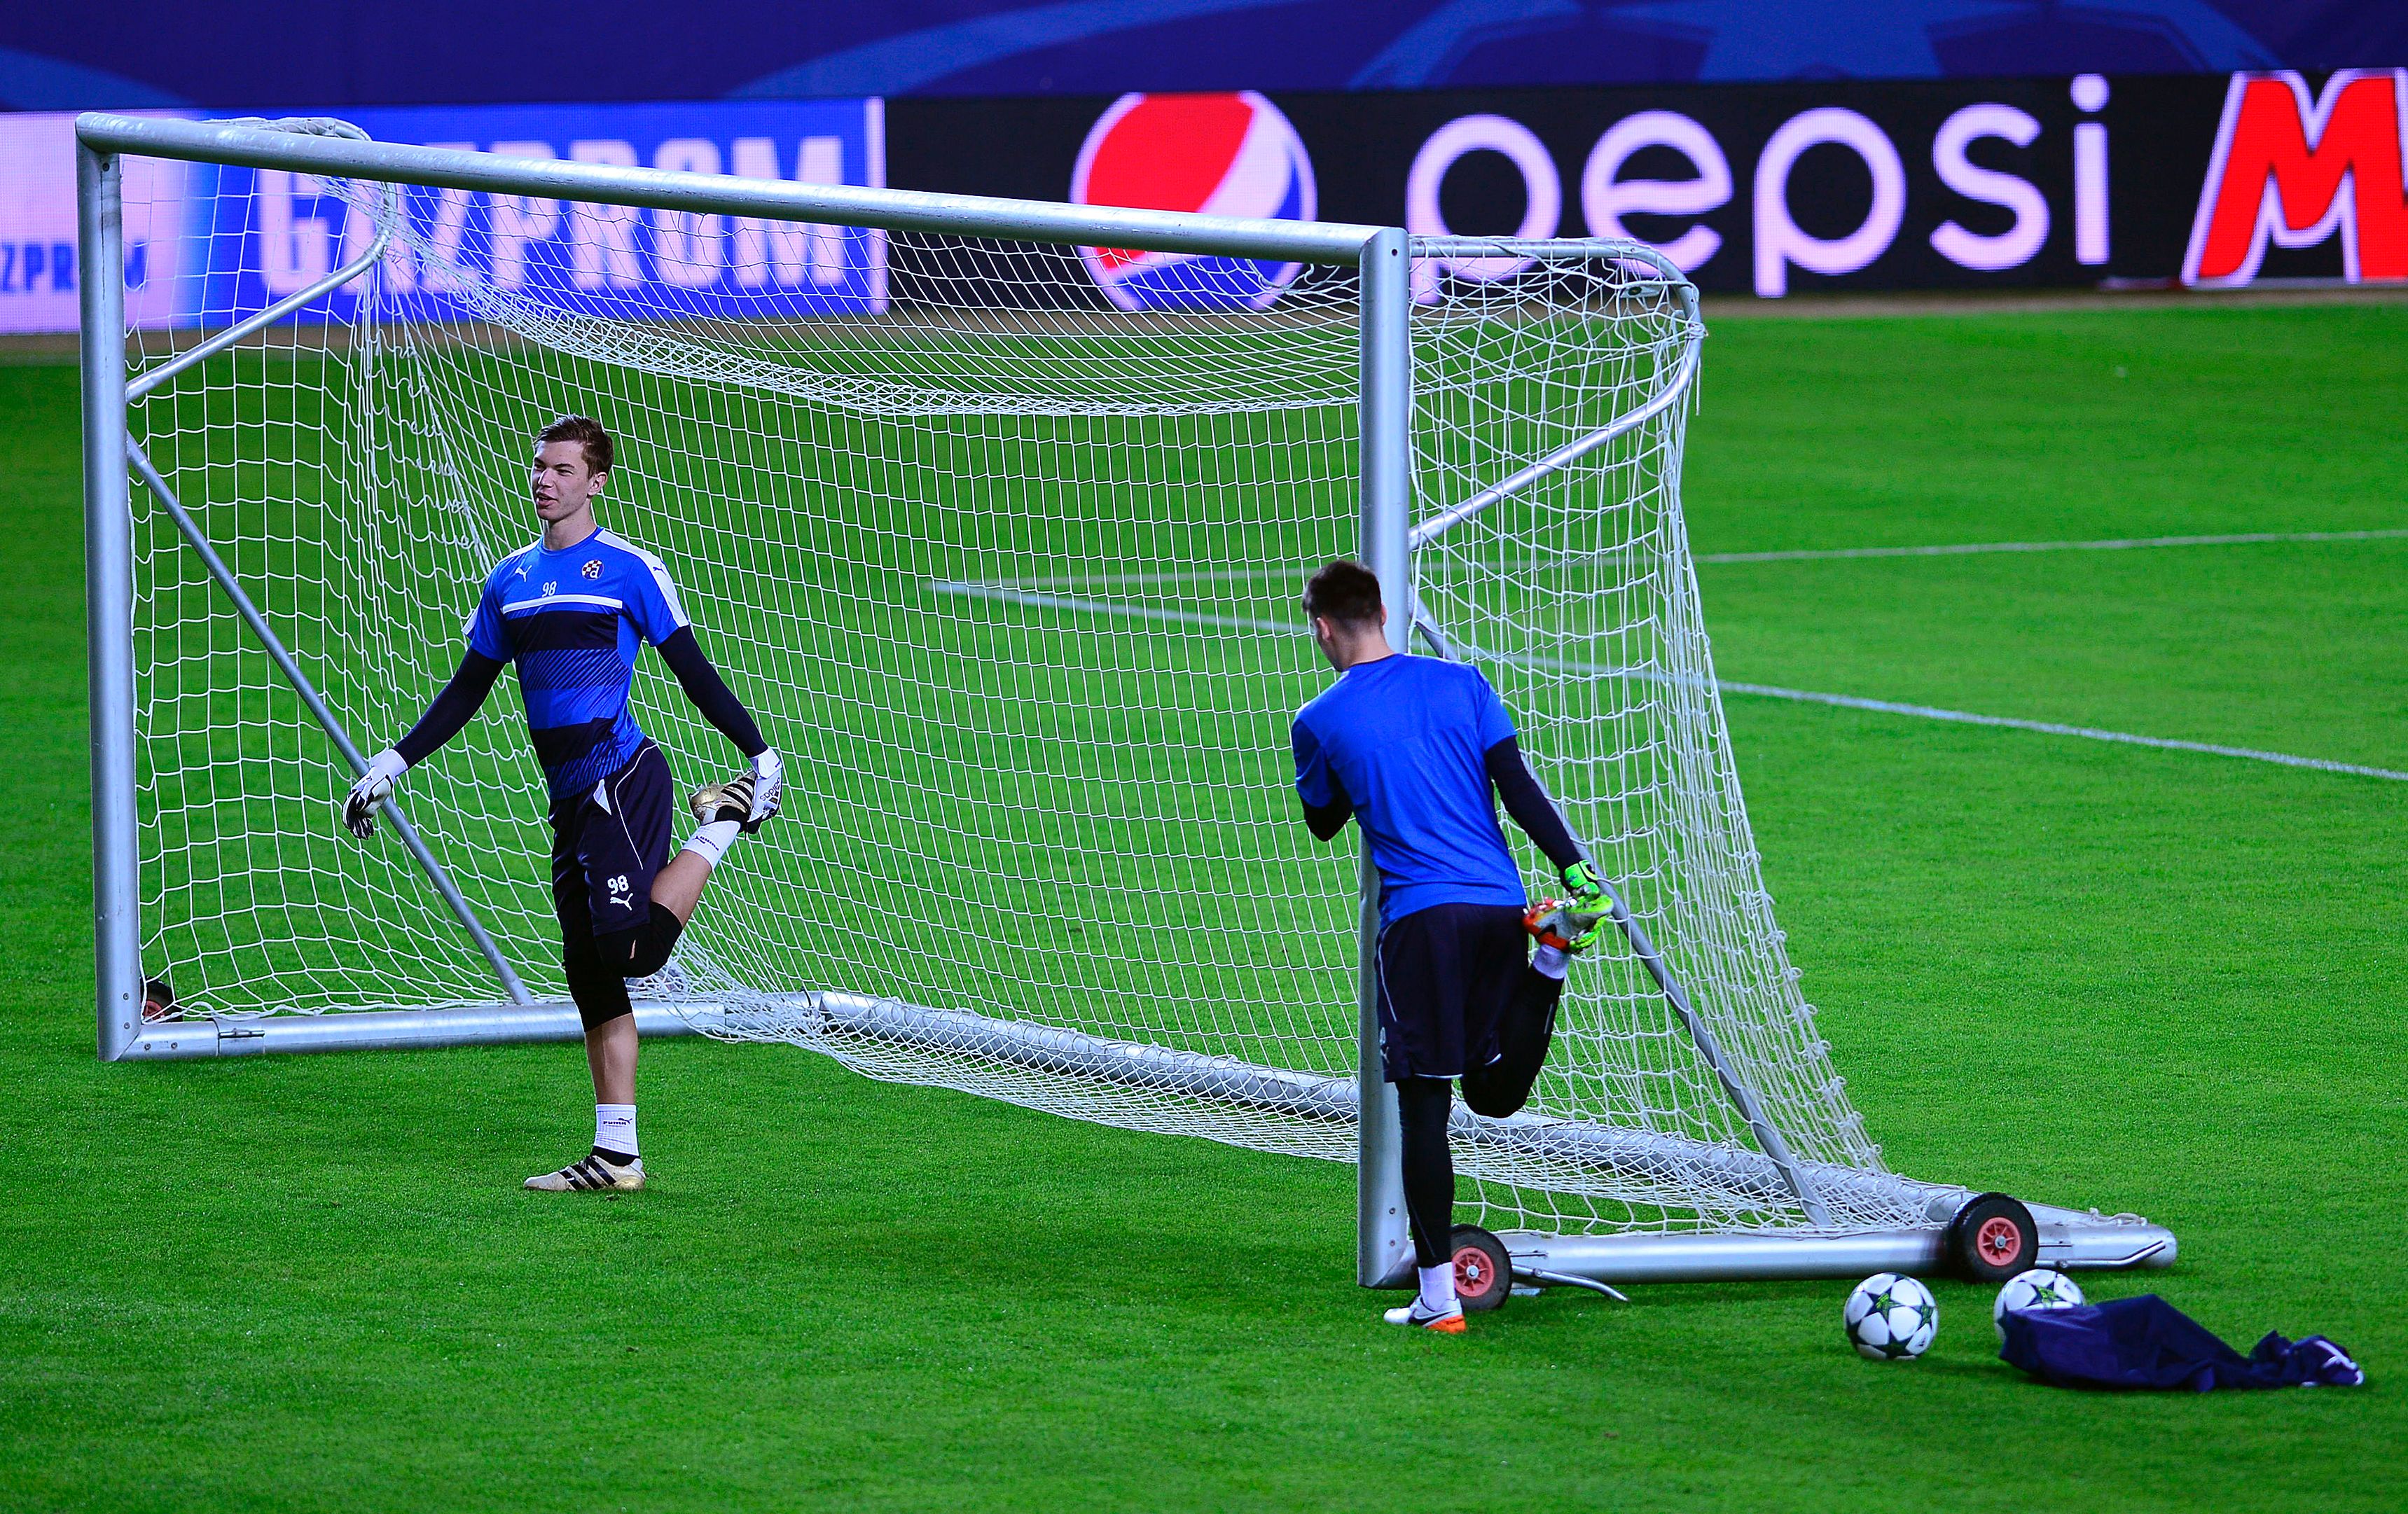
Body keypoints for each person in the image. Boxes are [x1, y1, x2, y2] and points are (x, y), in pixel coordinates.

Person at [338, 415, 780, 1193]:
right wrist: (394, 760)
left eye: (564, 470)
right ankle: (616, 1157)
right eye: (540, 467)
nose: (545, 480)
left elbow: (692, 669)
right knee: (589, 975)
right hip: (570, 797)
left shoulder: (631, 569)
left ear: (597, 481)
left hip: (623, 777)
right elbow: (468, 688)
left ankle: (722, 821)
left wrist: (760, 751)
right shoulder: (508, 579)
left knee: (633, 953)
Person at [1289, 560, 1605, 1332]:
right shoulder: (1464, 682)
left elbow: (1324, 820)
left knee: (1426, 1108)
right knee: (1494, 1094)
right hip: (1500, 908)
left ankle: (1438, 1301)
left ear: (1323, 627)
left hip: (1422, 925)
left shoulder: (1319, 719)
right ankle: (1552, 952)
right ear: (1385, 612)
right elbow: (1518, 784)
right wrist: (1573, 865)